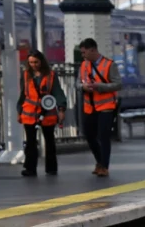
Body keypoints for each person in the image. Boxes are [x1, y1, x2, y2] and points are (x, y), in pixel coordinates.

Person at [16, 50, 66, 176]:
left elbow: (57, 92)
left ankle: (51, 168)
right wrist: (19, 111)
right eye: (31, 62)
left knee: (49, 141)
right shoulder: (26, 75)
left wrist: (61, 109)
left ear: (41, 61)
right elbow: (23, 94)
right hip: (29, 112)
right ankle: (30, 168)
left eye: (36, 62)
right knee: (30, 142)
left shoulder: (51, 75)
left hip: (47, 113)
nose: (33, 64)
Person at [77, 37, 122, 177]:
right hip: (89, 106)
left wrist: (99, 86)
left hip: (106, 106)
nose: (83, 56)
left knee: (103, 136)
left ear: (92, 50)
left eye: (84, 52)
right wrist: (83, 87)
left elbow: (118, 84)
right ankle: (99, 161)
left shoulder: (109, 65)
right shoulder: (84, 65)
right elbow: (77, 83)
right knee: (89, 135)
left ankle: (104, 166)